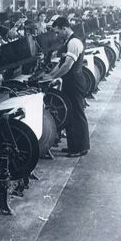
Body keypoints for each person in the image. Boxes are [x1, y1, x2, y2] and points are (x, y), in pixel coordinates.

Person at [40, 16, 90, 157]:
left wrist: (52, 77)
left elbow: (67, 66)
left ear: (65, 28)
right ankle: (73, 146)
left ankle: (81, 148)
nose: (56, 35)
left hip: (75, 82)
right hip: (69, 82)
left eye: (57, 32)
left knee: (77, 114)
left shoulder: (74, 42)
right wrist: (50, 75)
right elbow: (61, 65)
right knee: (70, 114)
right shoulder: (68, 41)